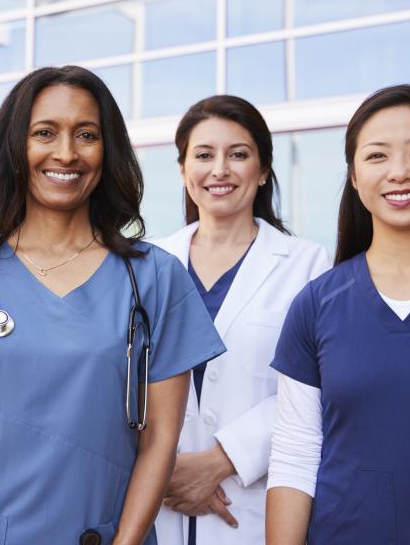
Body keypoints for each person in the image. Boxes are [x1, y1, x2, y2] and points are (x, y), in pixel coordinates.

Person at [0, 65, 227, 545]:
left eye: (86, 134)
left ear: (107, 150)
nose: (66, 153)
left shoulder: (155, 276)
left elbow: (159, 442)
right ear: (14, 147)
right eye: (44, 133)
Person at [266, 85, 410, 544]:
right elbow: (295, 456)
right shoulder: (316, 304)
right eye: (376, 157)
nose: (400, 172)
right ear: (353, 175)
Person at [152, 95, 329, 545]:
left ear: (264, 170)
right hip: (156, 504)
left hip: (250, 507)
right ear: (182, 169)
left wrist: (219, 460)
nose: (220, 170)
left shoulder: (307, 264)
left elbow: (315, 389)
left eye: (238, 155)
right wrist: (167, 473)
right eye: (204, 155)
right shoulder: (147, 263)